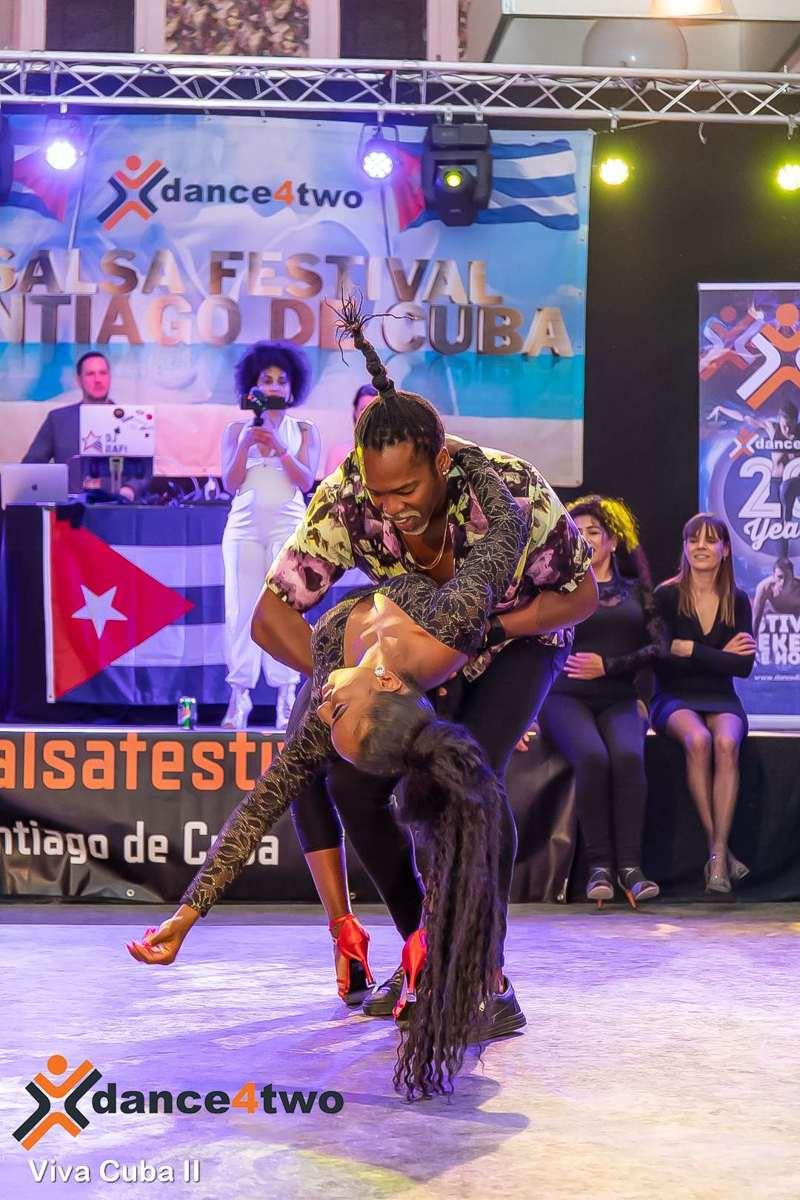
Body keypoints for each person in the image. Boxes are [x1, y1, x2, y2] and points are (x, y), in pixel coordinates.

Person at [127, 436, 530, 1100]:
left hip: (523, 639)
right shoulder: (450, 618)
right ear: (380, 686)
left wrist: (188, 915)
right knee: (328, 776)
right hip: (443, 626)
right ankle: (419, 945)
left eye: (329, 713)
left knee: (382, 789)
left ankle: (467, 964)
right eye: (334, 710)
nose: (322, 706)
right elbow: (506, 526)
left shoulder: (349, 691)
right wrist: (461, 457)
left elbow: (263, 799)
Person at [249, 298, 596, 1021]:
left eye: (406, 490)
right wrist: (343, 683)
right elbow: (270, 616)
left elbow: (580, 596)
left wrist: (491, 630)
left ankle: (486, 976)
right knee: (352, 785)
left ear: (441, 463)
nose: (392, 508)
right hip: (419, 654)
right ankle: (422, 952)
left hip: (517, 640)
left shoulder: (513, 490)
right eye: (379, 494)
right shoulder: (348, 499)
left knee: (465, 782)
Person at [537, 496, 667, 907]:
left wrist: (608, 666)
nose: (585, 538)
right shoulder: (557, 588)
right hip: (564, 697)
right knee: (593, 757)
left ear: (612, 540)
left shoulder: (636, 592)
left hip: (618, 698)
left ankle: (631, 867)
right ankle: (599, 867)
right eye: (577, 532)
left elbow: (659, 647)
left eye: (593, 531)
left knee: (628, 757)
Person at [651, 514, 756, 894]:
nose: (700, 547)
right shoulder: (665, 596)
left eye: (710, 541)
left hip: (721, 696)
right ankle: (720, 853)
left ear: (725, 550)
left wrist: (693, 649)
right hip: (673, 696)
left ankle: (718, 852)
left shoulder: (737, 599)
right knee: (699, 741)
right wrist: (719, 654)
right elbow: (661, 658)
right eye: (693, 540)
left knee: (726, 743)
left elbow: (743, 667)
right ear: (684, 547)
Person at [220, 341, 320, 730]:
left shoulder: (304, 431)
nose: (274, 386)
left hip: (289, 526)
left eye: (282, 380)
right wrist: (248, 441)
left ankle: (286, 698)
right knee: (240, 610)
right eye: (267, 379)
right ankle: (239, 697)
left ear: (292, 389)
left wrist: (278, 446)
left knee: (285, 609)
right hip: (243, 528)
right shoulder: (235, 430)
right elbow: (230, 483)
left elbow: (306, 481)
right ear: (253, 387)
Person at [22, 351, 149, 499]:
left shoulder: (131, 421)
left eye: (103, 373)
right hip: (70, 507)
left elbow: (145, 471)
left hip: (117, 505)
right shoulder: (58, 420)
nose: (98, 380)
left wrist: (130, 489)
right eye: (90, 374)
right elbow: (30, 466)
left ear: (109, 377)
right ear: (79, 380)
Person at [323, 383, 378, 477]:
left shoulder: (394, 454)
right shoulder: (338, 453)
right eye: (363, 409)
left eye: (374, 409)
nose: (368, 415)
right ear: (355, 413)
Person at [752, 557, 800, 638]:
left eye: (787, 577)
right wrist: (752, 640)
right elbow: (756, 618)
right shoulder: (764, 587)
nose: (783, 581)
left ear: (793, 576)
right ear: (773, 576)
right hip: (773, 616)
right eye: (780, 577)